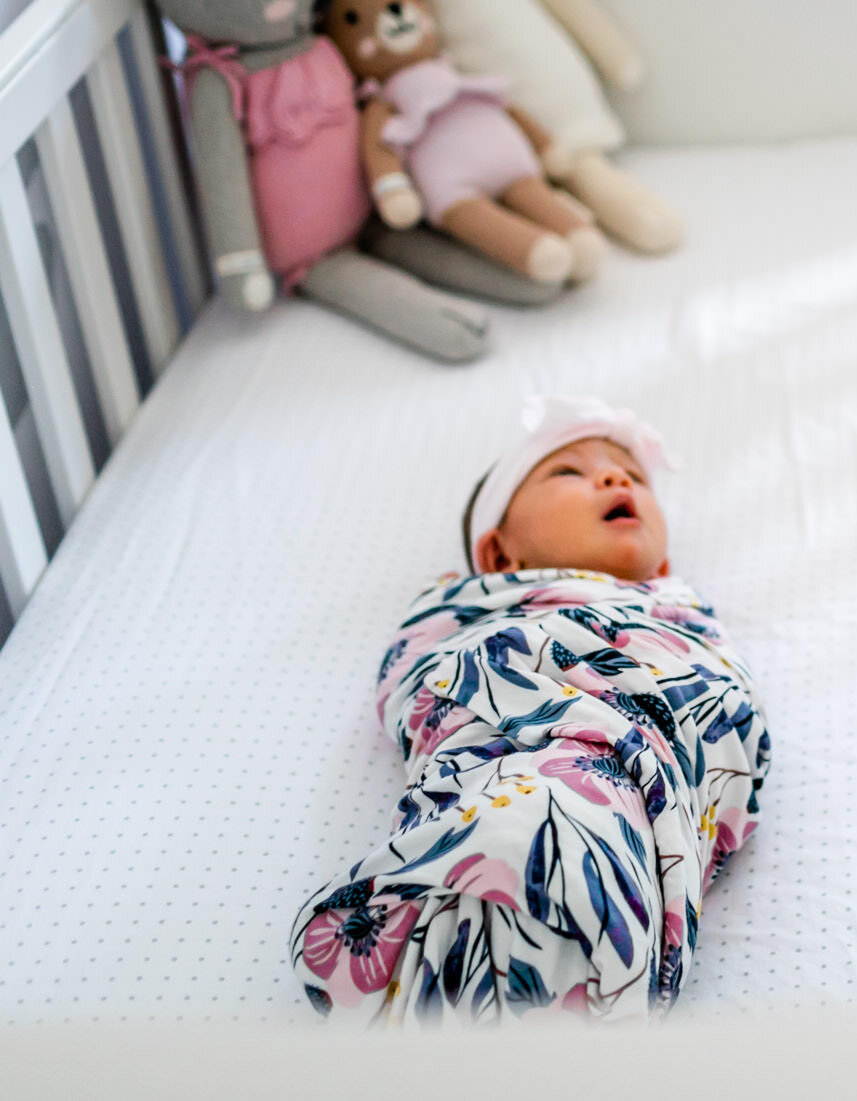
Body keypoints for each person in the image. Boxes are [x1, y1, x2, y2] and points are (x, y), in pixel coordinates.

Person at [290, 397, 769, 1022]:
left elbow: (717, 709)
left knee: (586, 865)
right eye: (569, 472)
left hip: (644, 797)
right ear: (500, 559)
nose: (616, 478)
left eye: (633, 477)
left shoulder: (681, 619)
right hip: (523, 766)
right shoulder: (475, 610)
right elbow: (430, 679)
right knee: (533, 827)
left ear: (662, 571)